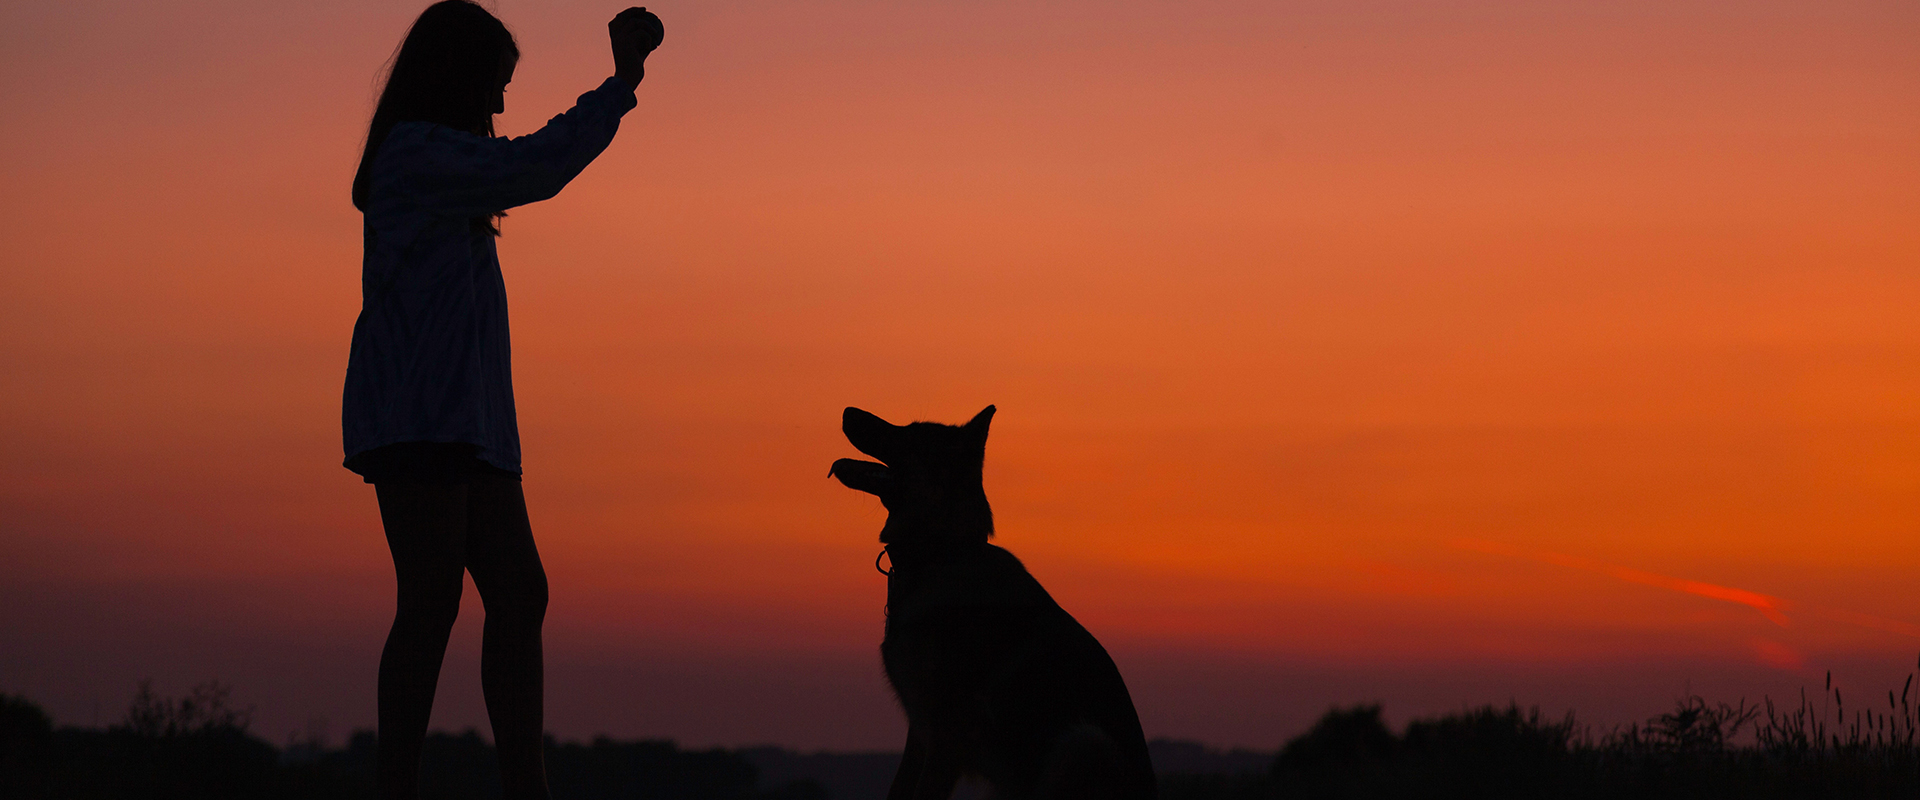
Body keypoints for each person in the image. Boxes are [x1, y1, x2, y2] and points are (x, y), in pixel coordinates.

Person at [341, 3, 663, 798]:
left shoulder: (438, 164)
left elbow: (523, 166)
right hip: (418, 416)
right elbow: (535, 165)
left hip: (469, 423)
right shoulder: (415, 155)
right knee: (431, 600)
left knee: (519, 593)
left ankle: (526, 781)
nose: (499, 107)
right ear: (457, 79)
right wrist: (620, 84)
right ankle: (401, 785)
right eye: (495, 86)